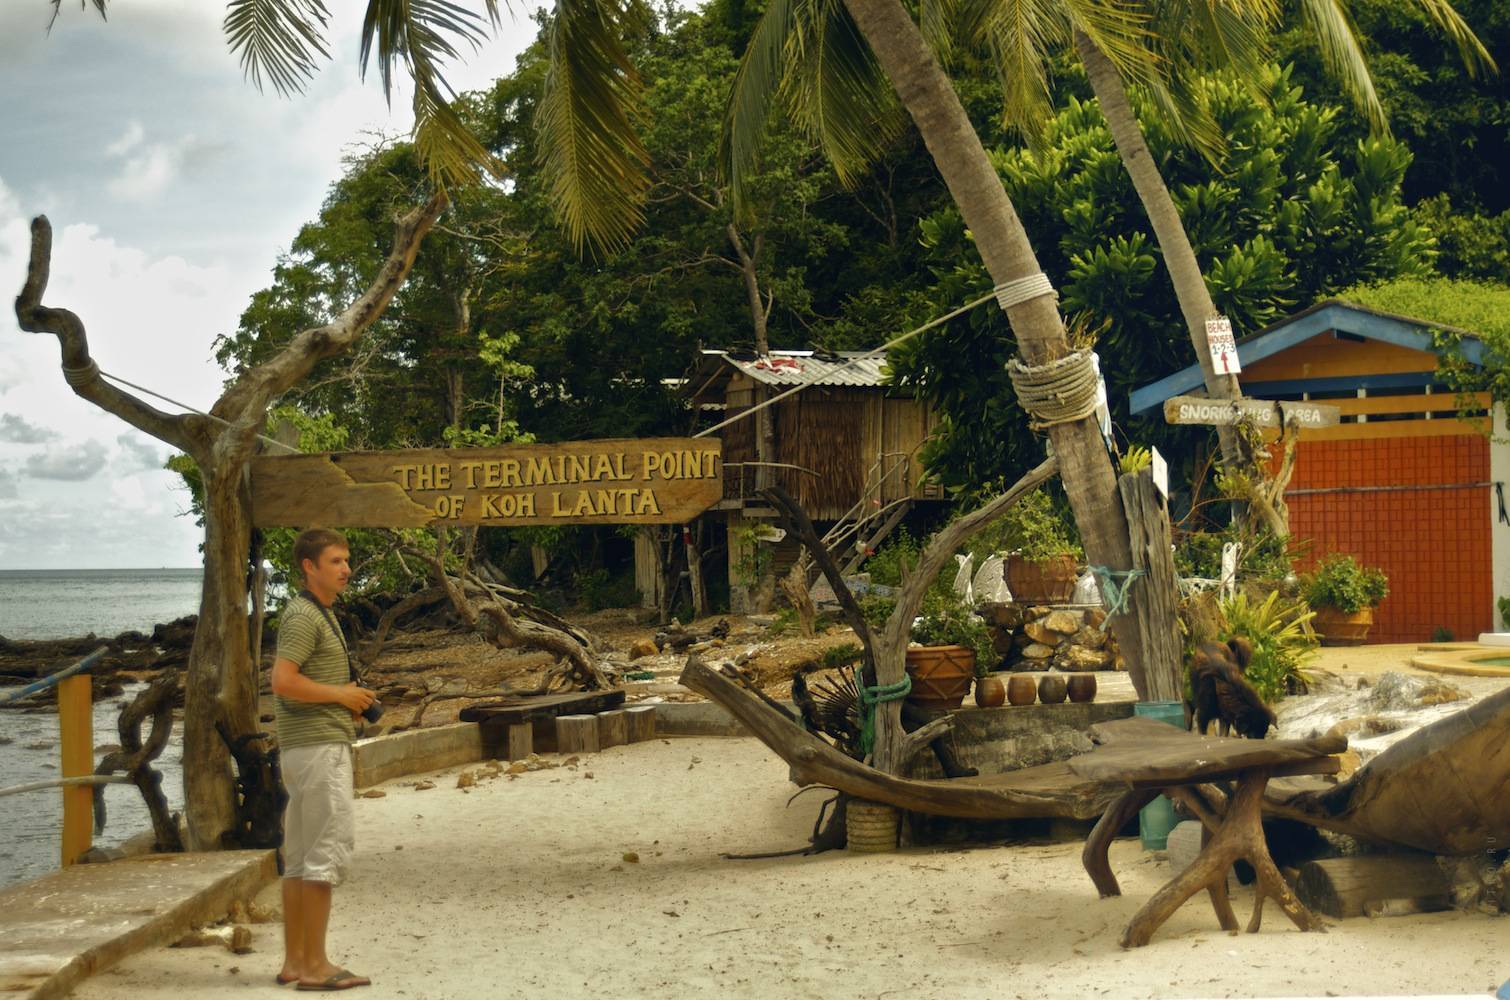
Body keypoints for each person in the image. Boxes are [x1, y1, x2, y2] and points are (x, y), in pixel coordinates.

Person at [271, 528, 374, 991]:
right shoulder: (302, 617)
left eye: (346, 560)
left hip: (303, 749)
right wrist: (343, 695)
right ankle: (316, 966)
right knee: (323, 857)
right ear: (309, 567)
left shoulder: (314, 612)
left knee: (298, 859)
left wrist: (348, 699)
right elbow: (283, 681)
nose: (346, 569)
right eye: (335, 561)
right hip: (317, 751)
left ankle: (296, 960)